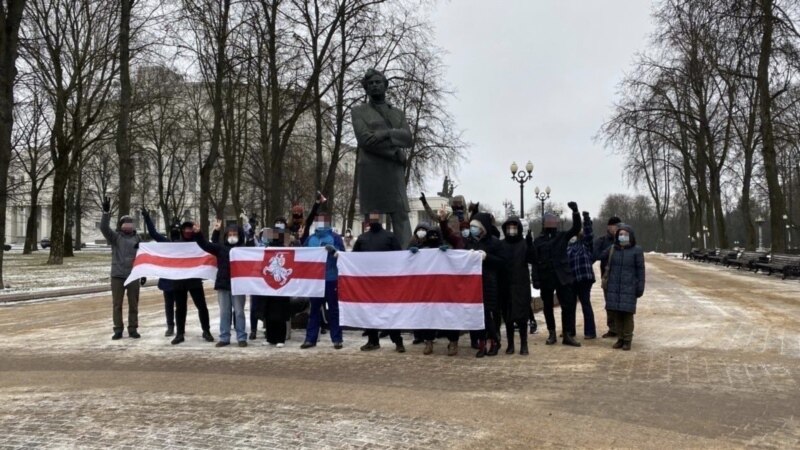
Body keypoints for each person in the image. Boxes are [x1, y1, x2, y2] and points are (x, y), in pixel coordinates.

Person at [351, 69, 413, 247]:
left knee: (401, 214)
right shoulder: (358, 111)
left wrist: (384, 133)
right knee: (373, 219)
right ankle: (373, 257)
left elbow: (407, 138)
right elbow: (365, 140)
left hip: (393, 173)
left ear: (385, 85)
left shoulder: (398, 114)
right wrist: (394, 152)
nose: (374, 85)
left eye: (378, 82)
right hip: (372, 171)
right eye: (370, 83)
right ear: (366, 88)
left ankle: (408, 256)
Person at [141, 208, 214, 345]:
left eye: (190, 229)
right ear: (181, 231)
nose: (187, 231)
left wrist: (207, 232)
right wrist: (147, 218)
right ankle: (180, 334)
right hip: (179, 281)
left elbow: (212, 246)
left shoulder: (200, 244)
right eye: (185, 229)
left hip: (194, 280)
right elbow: (154, 235)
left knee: (202, 306)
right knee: (180, 308)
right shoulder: (173, 245)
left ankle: (206, 330)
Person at [530, 202, 582, 347]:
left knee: (568, 305)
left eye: (553, 221)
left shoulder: (562, 236)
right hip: (546, 277)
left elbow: (576, 228)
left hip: (562, 276)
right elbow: (535, 261)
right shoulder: (538, 241)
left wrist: (575, 212)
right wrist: (535, 279)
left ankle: (567, 334)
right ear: (544, 223)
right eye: (548, 221)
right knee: (547, 306)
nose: (551, 223)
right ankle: (552, 333)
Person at [355, 211, 405, 352]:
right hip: (368, 283)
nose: (374, 221)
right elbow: (353, 259)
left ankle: (398, 341)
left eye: (376, 218)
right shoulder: (362, 238)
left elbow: (400, 257)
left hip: (387, 283)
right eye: (372, 218)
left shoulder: (389, 237)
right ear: (368, 221)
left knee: (390, 312)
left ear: (381, 220)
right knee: (369, 312)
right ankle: (373, 340)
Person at [194, 220, 248, 348]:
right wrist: (198, 234)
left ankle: (241, 337)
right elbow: (205, 245)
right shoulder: (221, 248)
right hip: (223, 284)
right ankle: (224, 337)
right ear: (226, 235)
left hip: (239, 285)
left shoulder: (245, 250)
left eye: (235, 233)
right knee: (224, 312)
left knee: (239, 312)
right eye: (230, 233)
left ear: (239, 235)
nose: (232, 236)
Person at [408, 225, 460, 356]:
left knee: (449, 316)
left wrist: (450, 253)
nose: (433, 238)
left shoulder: (446, 248)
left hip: (445, 289)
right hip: (428, 290)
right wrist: (411, 253)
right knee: (428, 316)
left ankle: (453, 342)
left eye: (435, 235)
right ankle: (428, 341)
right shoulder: (422, 250)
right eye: (430, 235)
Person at [300, 211, 345, 349]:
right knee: (314, 310)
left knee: (333, 309)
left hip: (331, 278)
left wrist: (334, 251)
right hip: (315, 280)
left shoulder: (335, 238)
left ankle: (337, 339)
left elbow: (343, 256)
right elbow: (302, 256)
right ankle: (310, 339)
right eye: (318, 220)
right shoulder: (311, 239)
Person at [100, 197, 141, 340]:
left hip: (133, 275)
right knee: (117, 304)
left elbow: (143, 256)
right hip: (118, 275)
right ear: (121, 225)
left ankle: (133, 328)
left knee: (133, 304)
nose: (128, 226)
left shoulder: (138, 239)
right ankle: (118, 329)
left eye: (130, 223)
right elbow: (104, 228)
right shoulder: (115, 237)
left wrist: (143, 273)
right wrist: (105, 213)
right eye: (126, 223)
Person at [465, 212, 506, 357]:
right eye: (471, 226)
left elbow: (503, 262)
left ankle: (494, 342)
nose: (472, 229)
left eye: (475, 227)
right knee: (478, 315)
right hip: (474, 283)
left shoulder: (494, 242)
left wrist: (486, 257)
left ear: (483, 228)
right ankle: (481, 343)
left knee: (489, 315)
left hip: (489, 282)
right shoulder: (470, 242)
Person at [599, 224, 645, 351]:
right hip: (614, 286)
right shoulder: (613, 249)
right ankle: (620, 338)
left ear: (630, 236)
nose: (622, 236)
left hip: (629, 287)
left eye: (625, 234)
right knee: (617, 314)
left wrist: (640, 287)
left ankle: (627, 339)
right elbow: (600, 256)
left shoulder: (637, 250)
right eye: (620, 234)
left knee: (627, 315)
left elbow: (641, 271)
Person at [499, 216, 533, 355]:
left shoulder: (524, 244)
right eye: (509, 227)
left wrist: (531, 245)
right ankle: (510, 344)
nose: (511, 229)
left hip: (521, 285)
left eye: (514, 226)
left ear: (518, 228)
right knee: (508, 317)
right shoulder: (501, 245)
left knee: (522, 317)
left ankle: (524, 344)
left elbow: (533, 259)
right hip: (505, 285)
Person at [568, 211, 597, 340]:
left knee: (585, 303)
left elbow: (589, 233)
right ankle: (570, 331)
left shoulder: (586, 244)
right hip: (571, 279)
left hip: (584, 278)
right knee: (570, 305)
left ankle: (590, 332)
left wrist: (585, 219)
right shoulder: (569, 246)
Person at [594, 216, 622, 338]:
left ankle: (621, 329)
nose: (617, 229)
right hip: (607, 275)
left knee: (621, 303)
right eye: (614, 226)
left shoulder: (624, 238)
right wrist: (610, 249)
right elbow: (597, 255)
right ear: (609, 227)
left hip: (621, 275)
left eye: (618, 226)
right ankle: (612, 328)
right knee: (609, 303)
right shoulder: (602, 240)